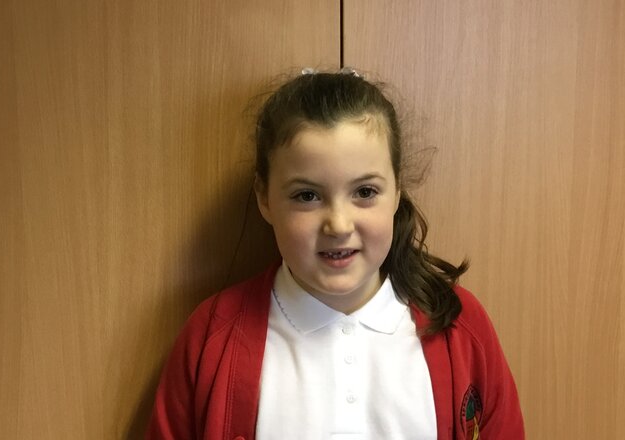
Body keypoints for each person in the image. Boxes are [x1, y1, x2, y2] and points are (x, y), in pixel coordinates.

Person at [147, 68, 524, 440]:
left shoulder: (460, 324)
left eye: (365, 192)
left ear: (397, 191)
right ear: (265, 198)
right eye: (307, 196)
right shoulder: (212, 335)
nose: (339, 225)